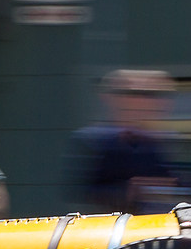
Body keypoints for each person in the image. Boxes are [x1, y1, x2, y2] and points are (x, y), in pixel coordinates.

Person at [71, 69, 179, 214]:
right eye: (134, 94)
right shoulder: (91, 140)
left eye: (155, 95)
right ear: (111, 99)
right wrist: (130, 190)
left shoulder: (167, 140)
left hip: (163, 223)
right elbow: (79, 192)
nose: (146, 101)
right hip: (111, 225)